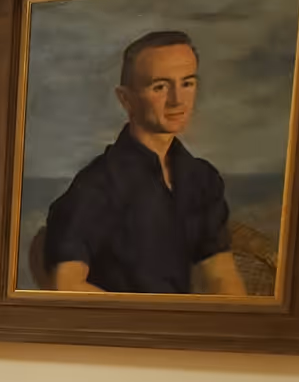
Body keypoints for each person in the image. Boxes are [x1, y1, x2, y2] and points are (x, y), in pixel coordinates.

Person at [42, 29, 247, 295]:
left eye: (187, 83)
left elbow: (222, 278)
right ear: (126, 99)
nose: (177, 100)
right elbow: (66, 285)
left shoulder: (201, 178)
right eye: (160, 87)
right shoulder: (96, 186)